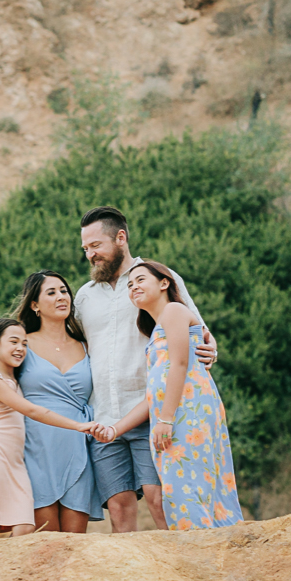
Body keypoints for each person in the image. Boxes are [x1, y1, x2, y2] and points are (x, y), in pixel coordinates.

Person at [74, 206, 218, 533]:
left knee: (159, 499)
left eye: (95, 245)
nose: (90, 254)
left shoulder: (152, 277)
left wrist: (212, 350)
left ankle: (184, 574)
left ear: (120, 238)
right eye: (85, 248)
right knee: (119, 509)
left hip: (151, 411)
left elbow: (196, 329)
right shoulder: (84, 296)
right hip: (104, 417)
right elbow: (75, 348)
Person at [100, 260, 243, 530]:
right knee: (179, 489)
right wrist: (114, 430)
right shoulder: (155, 330)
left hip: (187, 412)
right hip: (172, 414)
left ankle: (205, 552)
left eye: (140, 280)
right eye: (130, 285)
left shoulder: (174, 310)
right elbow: (152, 396)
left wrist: (165, 419)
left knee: (186, 488)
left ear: (164, 283)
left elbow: (179, 363)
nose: (133, 287)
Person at [0, 317, 101, 542]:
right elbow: (33, 411)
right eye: (13, 342)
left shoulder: (11, 378)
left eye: (24, 343)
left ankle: (6, 571)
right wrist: (78, 426)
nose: (20, 349)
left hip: (16, 460)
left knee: (26, 527)